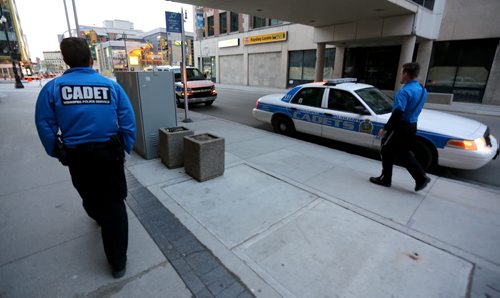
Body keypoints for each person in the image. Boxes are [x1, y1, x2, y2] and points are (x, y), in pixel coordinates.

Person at [35, 37, 136, 278]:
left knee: (88, 193)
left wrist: (56, 150)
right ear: (91, 60)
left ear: (66, 60)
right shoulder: (110, 86)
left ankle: (98, 215)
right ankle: (118, 262)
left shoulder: (53, 88)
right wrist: (126, 146)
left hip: (78, 156)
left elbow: (44, 123)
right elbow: (128, 119)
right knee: (114, 204)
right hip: (108, 154)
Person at [370, 62, 431, 192]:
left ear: (406, 74)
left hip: (401, 126)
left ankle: (386, 179)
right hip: (412, 126)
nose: (401, 76)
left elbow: (398, 112)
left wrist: (386, 128)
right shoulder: (422, 90)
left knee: (386, 149)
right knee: (403, 153)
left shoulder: (404, 91)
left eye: (402, 73)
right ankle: (421, 178)